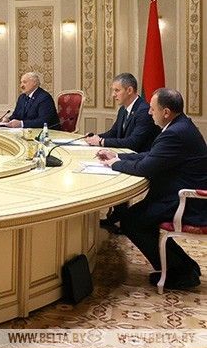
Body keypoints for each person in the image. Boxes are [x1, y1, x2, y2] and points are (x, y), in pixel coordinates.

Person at [96, 88, 206, 290]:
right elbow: (151, 155)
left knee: (132, 221)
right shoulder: (180, 125)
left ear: (166, 112)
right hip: (175, 194)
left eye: (152, 109)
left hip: (187, 202)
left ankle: (181, 273)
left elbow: (145, 167)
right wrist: (118, 156)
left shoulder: (174, 133)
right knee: (136, 219)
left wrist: (113, 165)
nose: (149, 112)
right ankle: (185, 267)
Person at [86, 73, 160, 233]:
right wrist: (95, 138)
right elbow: (113, 133)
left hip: (140, 158)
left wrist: (102, 142)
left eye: (116, 90)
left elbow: (133, 142)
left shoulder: (143, 110)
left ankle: (122, 217)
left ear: (130, 90)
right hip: (127, 154)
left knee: (109, 165)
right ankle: (118, 215)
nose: (113, 95)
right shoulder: (123, 110)